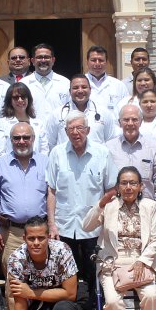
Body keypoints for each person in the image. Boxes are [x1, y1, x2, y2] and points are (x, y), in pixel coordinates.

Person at [82, 167, 156, 310]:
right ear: (117, 187)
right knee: (112, 301)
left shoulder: (150, 206)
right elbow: (86, 226)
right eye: (124, 183)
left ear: (140, 186)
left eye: (133, 183)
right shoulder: (108, 206)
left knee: (152, 296)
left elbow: (155, 239)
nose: (128, 187)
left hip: (141, 262)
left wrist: (143, 261)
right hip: (112, 263)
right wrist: (100, 204)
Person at [46, 111, 118, 283]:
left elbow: (111, 191)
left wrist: (107, 223)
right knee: (66, 276)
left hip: (94, 228)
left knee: (95, 276)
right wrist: (51, 224)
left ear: (88, 130)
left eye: (80, 128)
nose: (75, 132)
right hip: (64, 227)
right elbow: (51, 191)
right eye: (71, 129)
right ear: (65, 131)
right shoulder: (57, 153)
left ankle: (93, 301)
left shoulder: (102, 153)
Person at [51, 74, 116, 147]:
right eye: (75, 88)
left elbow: (111, 142)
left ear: (90, 89)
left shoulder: (104, 113)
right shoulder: (57, 114)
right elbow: (50, 144)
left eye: (84, 87)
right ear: (70, 91)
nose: (80, 91)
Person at [0, 82, 51, 157]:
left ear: (28, 99)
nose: (20, 100)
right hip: (9, 164)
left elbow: (44, 151)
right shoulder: (2, 123)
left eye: (23, 97)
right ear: (10, 101)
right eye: (16, 98)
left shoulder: (39, 124)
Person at [22, 43, 71, 120]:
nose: (43, 60)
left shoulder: (65, 83)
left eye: (47, 57)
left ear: (53, 60)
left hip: (59, 126)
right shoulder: (23, 83)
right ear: (33, 61)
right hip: (31, 126)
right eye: (39, 57)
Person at [84, 45, 127, 116]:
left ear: (106, 62)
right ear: (87, 62)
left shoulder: (119, 85)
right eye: (93, 60)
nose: (97, 63)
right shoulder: (78, 85)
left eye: (101, 60)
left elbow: (126, 109)